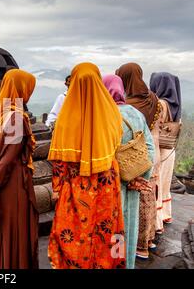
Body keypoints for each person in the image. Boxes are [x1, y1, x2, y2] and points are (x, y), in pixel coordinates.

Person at [48, 63, 125, 269]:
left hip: (76, 186)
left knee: (74, 233)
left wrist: (57, 188)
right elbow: (116, 145)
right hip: (107, 184)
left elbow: (59, 163)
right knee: (107, 230)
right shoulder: (113, 113)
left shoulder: (65, 118)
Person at [0, 69, 39, 269]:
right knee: (14, 227)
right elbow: (9, 158)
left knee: (0, 226)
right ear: (21, 88)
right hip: (12, 183)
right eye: (29, 88)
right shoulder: (16, 118)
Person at [103, 74, 155, 269]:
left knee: (114, 228)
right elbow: (150, 149)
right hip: (133, 181)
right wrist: (140, 178)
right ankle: (127, 264)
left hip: (112, 185)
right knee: (129, 226)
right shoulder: (135, 113)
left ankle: (114, 262)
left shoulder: (103, 115)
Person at [117, 62, 161, 259]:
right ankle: (144, 243)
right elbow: (149, 143)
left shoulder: (120, 109)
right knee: (141, 206)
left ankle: (116, 256)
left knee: (117, 221)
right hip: (144, 160)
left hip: (120, 170)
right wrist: (144, 174)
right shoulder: (153, 100)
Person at [150, 72, 182, 228]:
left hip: (159, 148)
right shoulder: (176, 103)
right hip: (170, 149)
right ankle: (165, 215)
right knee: (165, 182)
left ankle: (156, 222)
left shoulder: (159, 103)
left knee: (157, 182)